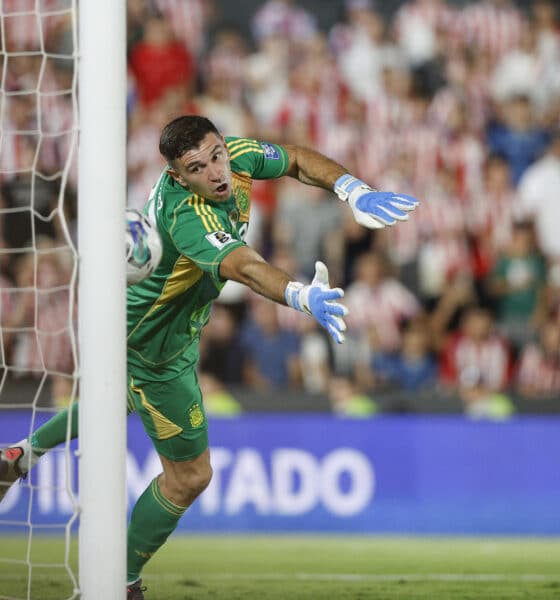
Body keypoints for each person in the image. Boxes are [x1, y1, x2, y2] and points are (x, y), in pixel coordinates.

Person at [0, 115, 419, 599]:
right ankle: (119, 582)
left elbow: (298, 160)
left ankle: (20, 454)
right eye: (198, 168)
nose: (216, 172)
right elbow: (244, 265)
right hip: (154, 347)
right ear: (177, 176)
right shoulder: (186, 217)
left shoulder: (233, 158)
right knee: (191, 476)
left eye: (216, 155)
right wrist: (301, 296)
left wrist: (352, 189)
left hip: (135, 326)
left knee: (122, 401)